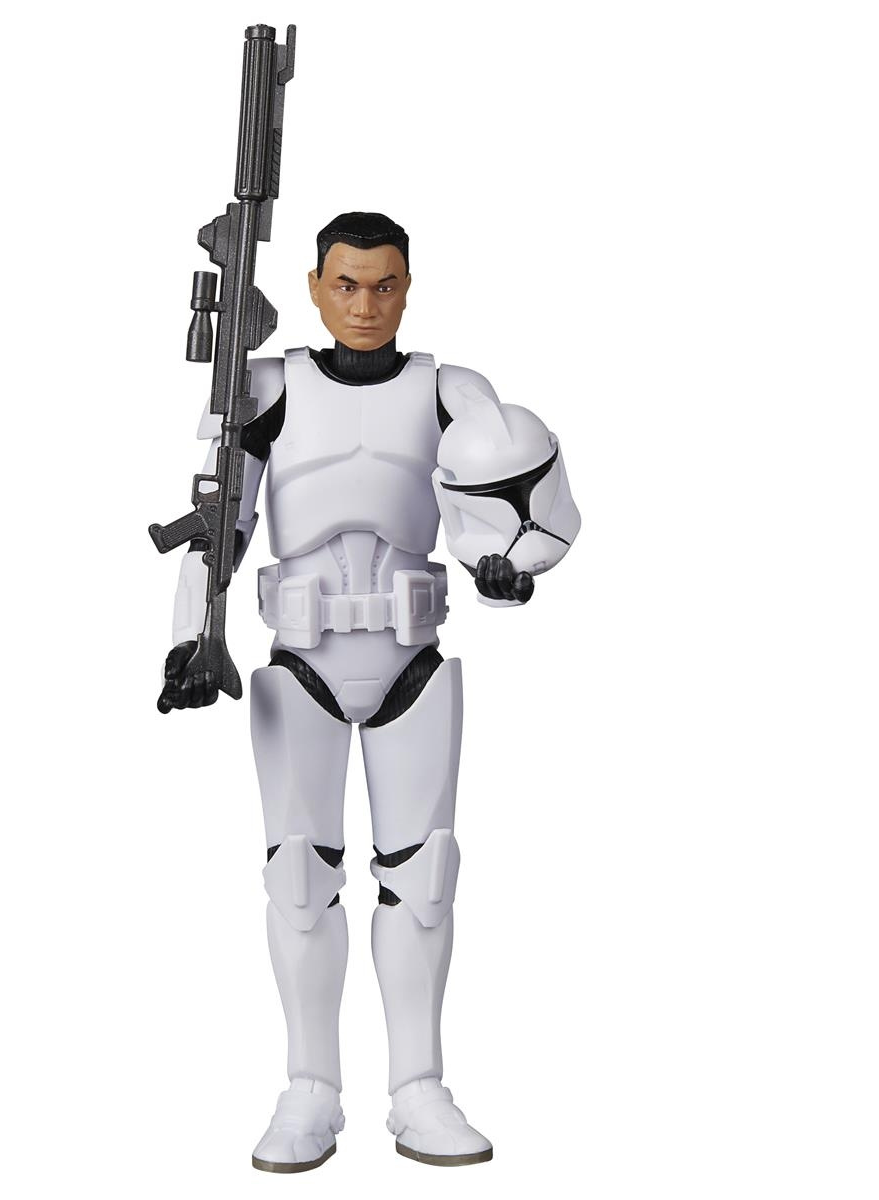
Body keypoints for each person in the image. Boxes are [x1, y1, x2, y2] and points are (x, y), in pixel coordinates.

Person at [160, 212, 580, 1172]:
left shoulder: (448, 393)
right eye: (345, 284)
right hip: (300, 658)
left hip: (409, 656)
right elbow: (215, 522)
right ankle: (310, 1088)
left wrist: (506, 569)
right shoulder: (268, 389)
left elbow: (509, 513)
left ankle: (419, 1088)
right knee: (297, 879)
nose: (363, 304)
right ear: (314, 287)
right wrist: (190, 636)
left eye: (383, 284)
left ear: (407, 287)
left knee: (423, 878)